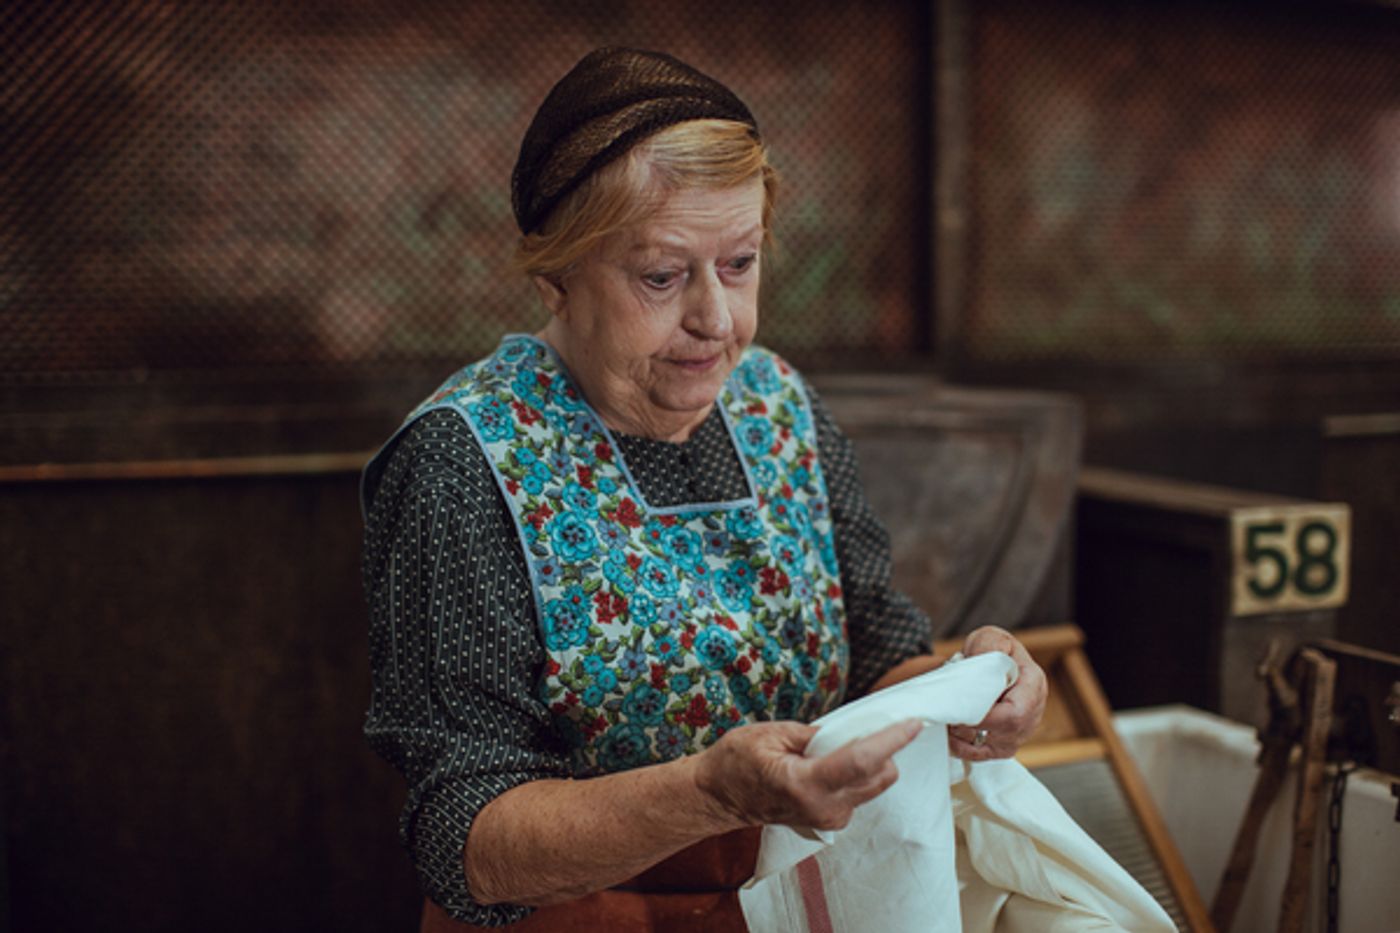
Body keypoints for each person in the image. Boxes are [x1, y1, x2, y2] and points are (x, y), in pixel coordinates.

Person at [362, 47, 1048, 932]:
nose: (717, 322)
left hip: (804, 903)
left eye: (740, 263)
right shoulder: (465, 460)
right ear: (556, 275)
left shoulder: (779, 405)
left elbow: (877, 658)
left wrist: (968, 687)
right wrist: (708, 792)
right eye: (661, 275)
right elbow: (467, 841)